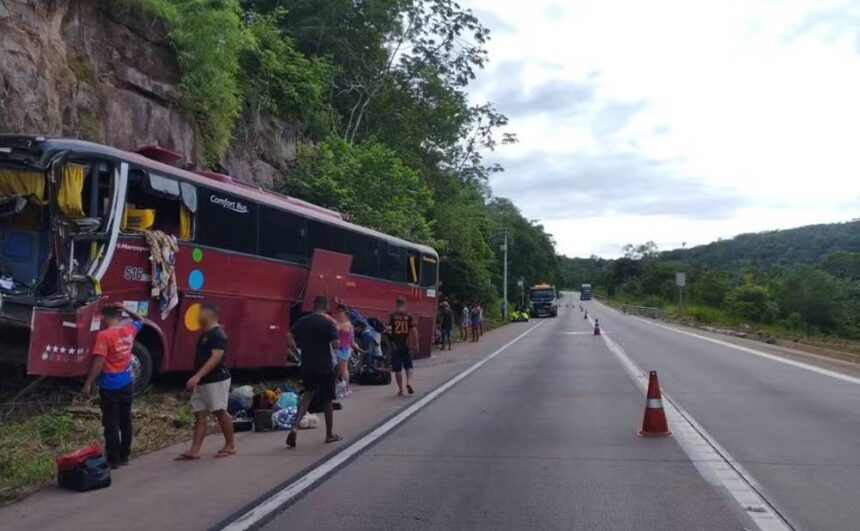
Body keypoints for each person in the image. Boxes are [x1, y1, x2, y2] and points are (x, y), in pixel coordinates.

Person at [82, 303, 144, 469]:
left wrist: (88, 383)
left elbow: (99, 361)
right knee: (125, 420)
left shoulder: (104, 335)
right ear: (119, 316)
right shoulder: (129, 330)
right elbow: (141, 319)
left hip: (110, 385)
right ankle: (125, 455)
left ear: (104, 317)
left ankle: (113, 459)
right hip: (127, 383)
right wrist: (126, 309)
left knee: (111, 423)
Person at [176, 304, 235, 460]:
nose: (197, 317)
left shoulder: (218, 335)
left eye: (201, 314)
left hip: (216, 379)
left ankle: (230, 445)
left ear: (209, 315)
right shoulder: (205, 334)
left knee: (219, 411)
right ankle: (195, 449)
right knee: (200, 414)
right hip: (202, 381)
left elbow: (216, 357)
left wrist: (198, 376)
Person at [287, 295, 342, 447]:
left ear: (314, 305)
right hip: (324, 366)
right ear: (326, 306)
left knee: (307, 396)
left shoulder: (304, 321)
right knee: (327, 400)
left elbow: (289, 336)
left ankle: (295, 427)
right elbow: (336, 344)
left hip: (307, 365)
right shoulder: (327, 322)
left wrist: (297, 354)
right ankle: (329, 434)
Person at [389, 296, 418, 396]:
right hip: (407, 344)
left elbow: (389, 330)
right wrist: (416, 343)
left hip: (396, 345)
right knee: (409, 366)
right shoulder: (408, 316)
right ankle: (409, 383)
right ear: (404, 304)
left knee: (397, 370)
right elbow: (414, 330)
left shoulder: (392, 316)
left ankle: (401, 390)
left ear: (396, 303)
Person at [334, 308, 361, 396]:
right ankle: (346, 389)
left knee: (343, 371)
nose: (339, 316)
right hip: (347, 348)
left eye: (341, 315)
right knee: (343, 370)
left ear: (345, 316)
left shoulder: (342, 325)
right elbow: (352, 341)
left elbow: (333, 330)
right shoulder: (350, 326)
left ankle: (343, 390)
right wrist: (359, 349)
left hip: (341, 349)